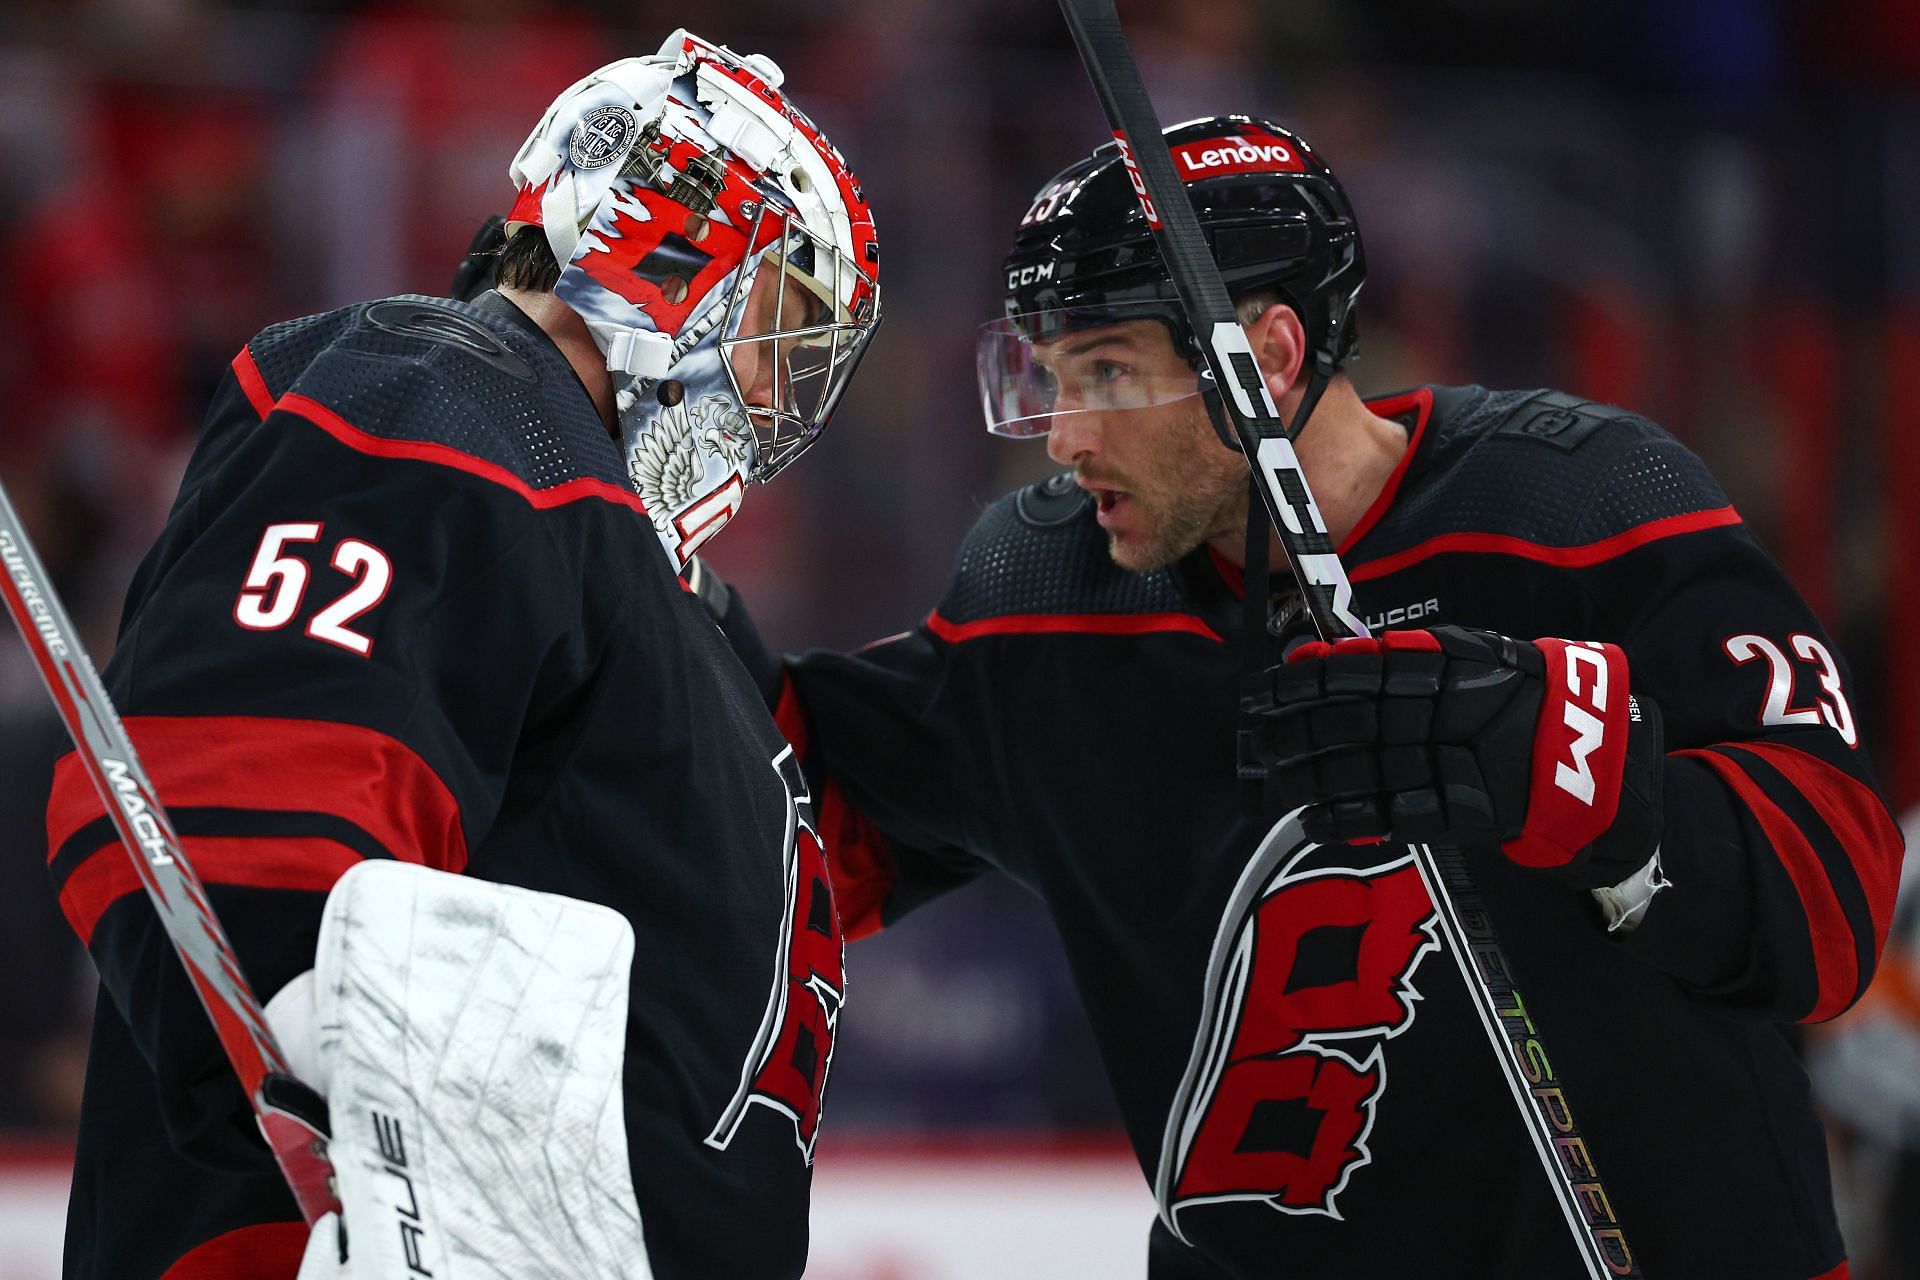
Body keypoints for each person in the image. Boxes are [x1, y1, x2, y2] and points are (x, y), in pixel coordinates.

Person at [700, 115, 1906, 1278]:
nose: (1063, 437)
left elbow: (1837, 901)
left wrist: (1569, 762)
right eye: (1049, 377)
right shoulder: (1044, 596)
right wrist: (643, 548)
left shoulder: (1580, 511)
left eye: (1108, 372)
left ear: (1267, 358)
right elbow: (797, 828)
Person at [44, 30, 879, 1279]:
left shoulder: (664, 598)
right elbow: (239, 828)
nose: (773, 400)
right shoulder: (457, 394)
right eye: (776, 330)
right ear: (675, 256)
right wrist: (349, 1086)